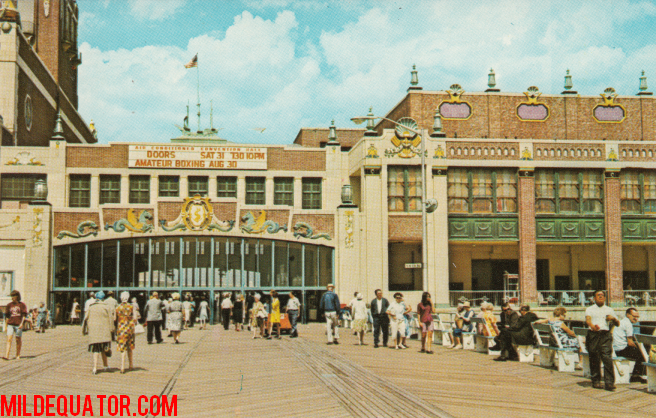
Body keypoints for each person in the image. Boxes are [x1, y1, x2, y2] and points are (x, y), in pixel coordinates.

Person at [585, 290, 620, 391]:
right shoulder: (590, 309)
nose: (600, 297)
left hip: (605, 335)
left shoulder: (609, 309)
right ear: (594, 298)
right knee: (594, 357)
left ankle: (609, 383)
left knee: (607, 358)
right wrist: (592, 326)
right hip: (593, 334)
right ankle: (596, 381)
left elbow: (617, 323)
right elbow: (588, 320)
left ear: (605, 298)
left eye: (602, 295)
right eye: (598, 295)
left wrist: (613, 319)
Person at [613, 308, 646, 383]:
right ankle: (638, 376)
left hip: (615, 349)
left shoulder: (621, 321)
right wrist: (638, 347)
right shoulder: (628, 324)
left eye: (637, 317)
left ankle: (636, 375)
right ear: (628, 315)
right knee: (642, 355)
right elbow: (630, 342)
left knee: (638, 352)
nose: (636, 318)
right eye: (634, 316)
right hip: (621, 350)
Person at [85, 291, 113, 375]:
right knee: (104, 349)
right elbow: (111, 319)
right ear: (103, 298)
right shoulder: (107, 307)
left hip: (94, 332)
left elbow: (85, 318)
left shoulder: (91, 307)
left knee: (96, 350)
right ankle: (105, 366)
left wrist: (85, 329)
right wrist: (112, 329)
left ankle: (95, 368)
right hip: (104, 331)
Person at [115, 291, 137, 374]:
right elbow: (135, 318)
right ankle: (131, 365)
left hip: (121, 328)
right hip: (130, 328)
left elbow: (115, 318)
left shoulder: (118, 307)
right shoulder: (132, 306)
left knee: (122, 347)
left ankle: (122, 367)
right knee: (130, 347)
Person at [4, 290, 27, 360]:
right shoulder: (9, 305)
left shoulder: (22, 305)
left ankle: (18, 354)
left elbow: (24, 315)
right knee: (9, 339)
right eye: (11, 296)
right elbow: (7, 316)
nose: (12, 298)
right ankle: (6, 355)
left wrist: (21, 324)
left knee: (18, 339)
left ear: (17, 296)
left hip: (18, 324)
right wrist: (6, 326)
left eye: (13, 296)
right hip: (11, 324)